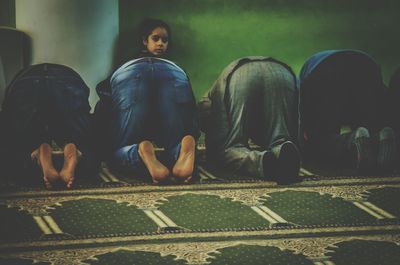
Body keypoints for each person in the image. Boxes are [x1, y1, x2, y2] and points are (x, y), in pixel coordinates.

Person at [94, 18, 199, 184]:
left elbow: (106, 100)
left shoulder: (128, 61)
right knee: (176, 139)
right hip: (173, 73)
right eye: (155, 39)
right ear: (145, 41)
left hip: (130, 72)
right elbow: (190, 107)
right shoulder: (173, 65)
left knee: (119, 150)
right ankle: (182, 148)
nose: (160, 44)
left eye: (164, 40)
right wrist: (193, 131)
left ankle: (138, 151)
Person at [198, 57, 301, 184]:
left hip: (240, 76)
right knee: (279, 137)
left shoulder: (210, 97)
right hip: (282, 72)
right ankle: (283, 148)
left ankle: (262, 162)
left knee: (230, 147)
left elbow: (205, 111)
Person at [299, 49, 397, 173]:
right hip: (366, 65)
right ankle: (381, 137)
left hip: (325, 69)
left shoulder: (306, 78)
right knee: (371, 129)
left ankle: (352, 139)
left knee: (321, 139)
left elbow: (301, 113)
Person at [1, 63, 97, 188]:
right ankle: (75, 149)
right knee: (86, 144)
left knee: (17, 145)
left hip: (25, 82)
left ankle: (35, 152)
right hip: (69, 79)